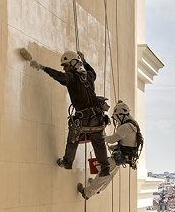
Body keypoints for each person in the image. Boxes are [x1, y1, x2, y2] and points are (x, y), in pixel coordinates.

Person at [20, 48, 111, 176]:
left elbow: (60, 76)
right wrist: (84, 61)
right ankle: (105, 167)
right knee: (99, 142)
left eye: (66, 65)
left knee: (73, 139)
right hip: (97, 118)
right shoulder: (88, 76)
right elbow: (93, 72)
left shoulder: (72, 77)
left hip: (83, 118)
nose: (64, 68)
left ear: (73, 64)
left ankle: (67, 162)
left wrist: (42, 67)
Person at [105, 100, 142, 169]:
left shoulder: (125, 127)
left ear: (120, 116)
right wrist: (115, 147)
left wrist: (102, 136)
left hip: (123, 156)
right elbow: (128, 142)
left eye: (116, 118)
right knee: (111, 172)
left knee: (105, 169)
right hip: (127, 155)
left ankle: (96, 180)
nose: (116, 120)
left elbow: (112, 140)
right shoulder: (133, 124)